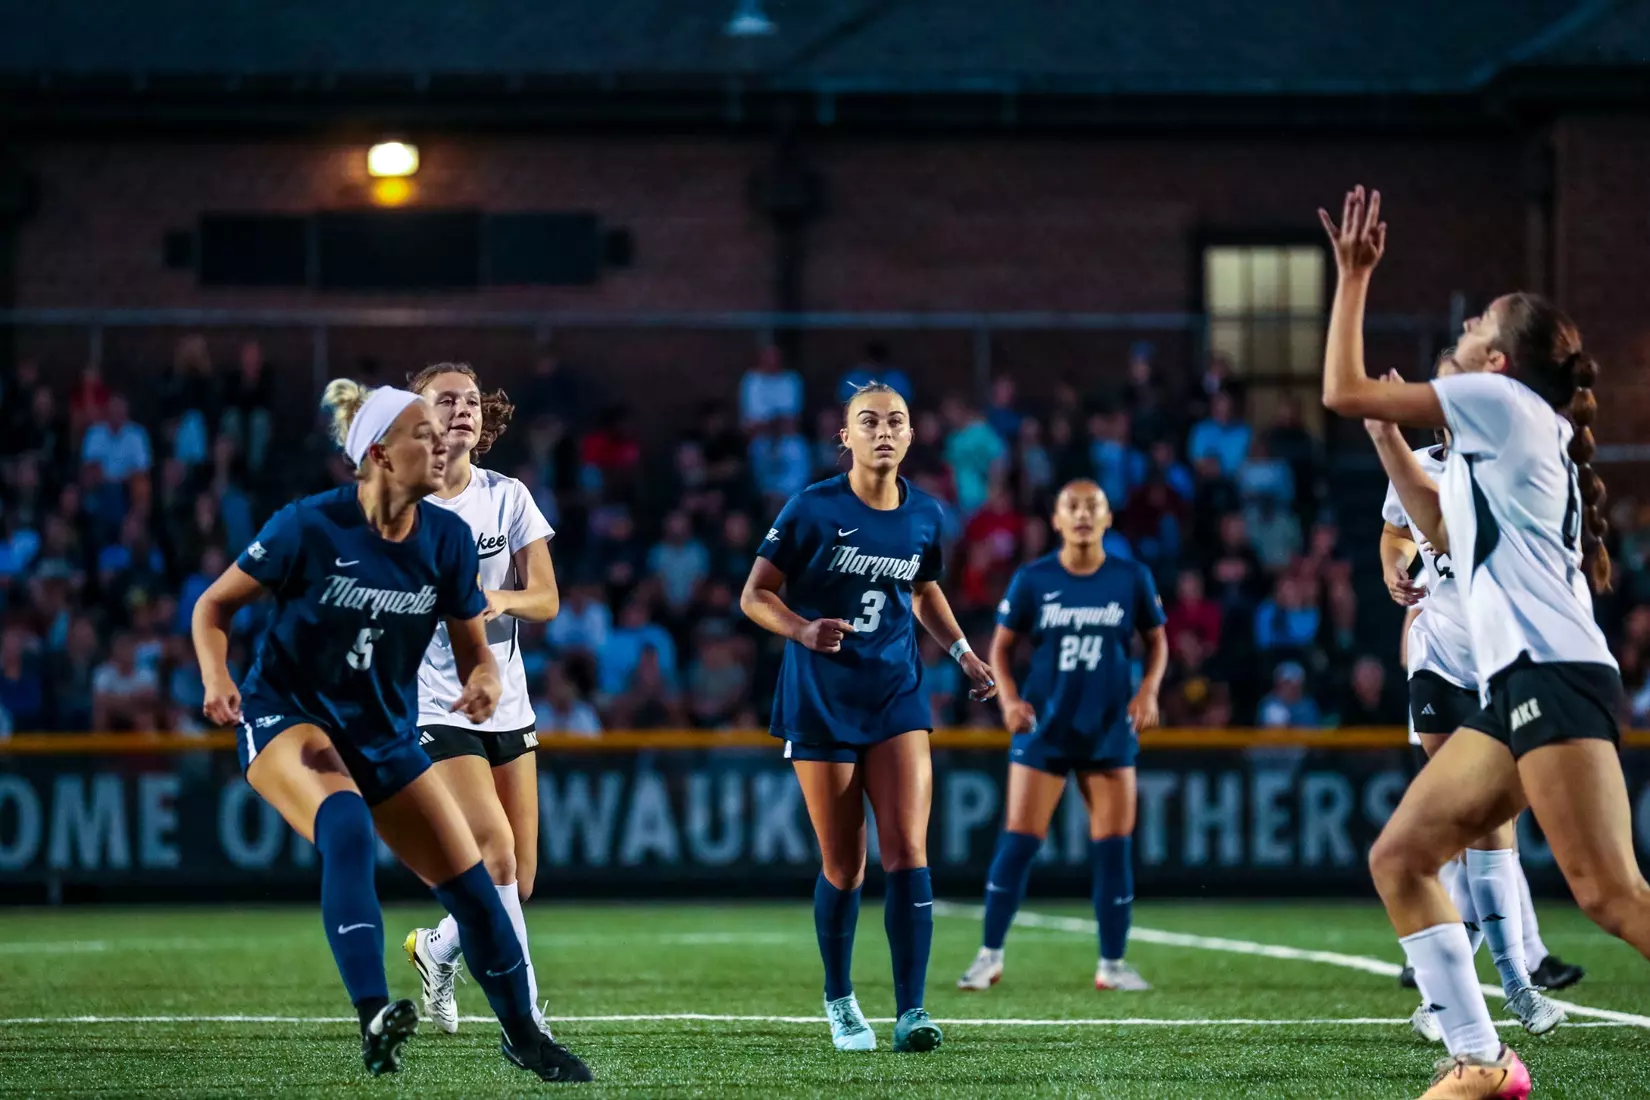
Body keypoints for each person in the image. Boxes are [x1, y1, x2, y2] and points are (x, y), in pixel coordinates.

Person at [1321, 185, 1644, 1099]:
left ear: (1498, 361)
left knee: (1610, 896)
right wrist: (1389, 439)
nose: (1463, 327)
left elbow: (1339, 388)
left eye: (1479, 323)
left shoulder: (1500, 404)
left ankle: (1482, 1053)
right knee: (1400, 857)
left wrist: (1354, 277)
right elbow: (1436, 528)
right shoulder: (1499, 433)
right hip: (1519, 686)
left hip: (1554, 675)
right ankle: (1481, 1061)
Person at [190, 378, 590, 1081]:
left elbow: (473, 646)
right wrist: (217, 679)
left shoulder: (449, 538)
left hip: (382, 726)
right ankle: (375, 1014)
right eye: (423, 434)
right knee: (346, 825)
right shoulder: (309, 525)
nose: (441, 443)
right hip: (291, 714)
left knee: (478, 886)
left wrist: (484, 677)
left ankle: (527, 1039)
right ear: (377, 453)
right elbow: (213, 607)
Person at [740, 381, 996, 1055]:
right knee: (846, 865)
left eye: (896, 421)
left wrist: (964, 653)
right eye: (869, 421)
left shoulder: (927, 514)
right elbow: (754, 594)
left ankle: (912, 1010)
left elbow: (923, 588)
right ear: (845, 436)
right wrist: (801, 629)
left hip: (896, 694)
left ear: (911, 435)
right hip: (821, 698)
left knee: (909, 849)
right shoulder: (812, 507)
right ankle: (840, 997)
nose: (884, 431)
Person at [1375, 359, 1584, 1042]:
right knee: (1469, 831)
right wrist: (1393, 568)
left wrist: (1383, 433)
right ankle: (1503, 992)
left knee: (1488, 831)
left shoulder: (1506, 468)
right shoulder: (1421, 466)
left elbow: (1445, 531)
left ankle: (1480, 993)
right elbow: (1398, 528)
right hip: (1439, 662)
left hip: (1503, 666)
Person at [396, 364, 562, 1042]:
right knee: (494, 853)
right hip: (437, 704)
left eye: (470, 400)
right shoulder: (402, 506)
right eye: (446, 400)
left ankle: (437, 948)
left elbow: (546, 599)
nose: (463, 408)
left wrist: (499, 599)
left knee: (518, 880)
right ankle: (528, 1021)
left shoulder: (507, 495)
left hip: (509, 705)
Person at [955, 479, 1166, 994]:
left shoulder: (1131, 577)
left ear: (1108, 518)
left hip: (1108, 729)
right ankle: (988, 956)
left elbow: (1158, 641)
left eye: (1093, 507)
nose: (1083, 515)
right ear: (1056, 519)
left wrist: (1148, 691)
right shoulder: (1034, 578)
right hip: (1045, 728)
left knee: (1113, 850)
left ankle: (1112, 964)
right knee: (1018, 843)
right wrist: (1007, 699)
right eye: (1073, 507)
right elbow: (1000, 647)